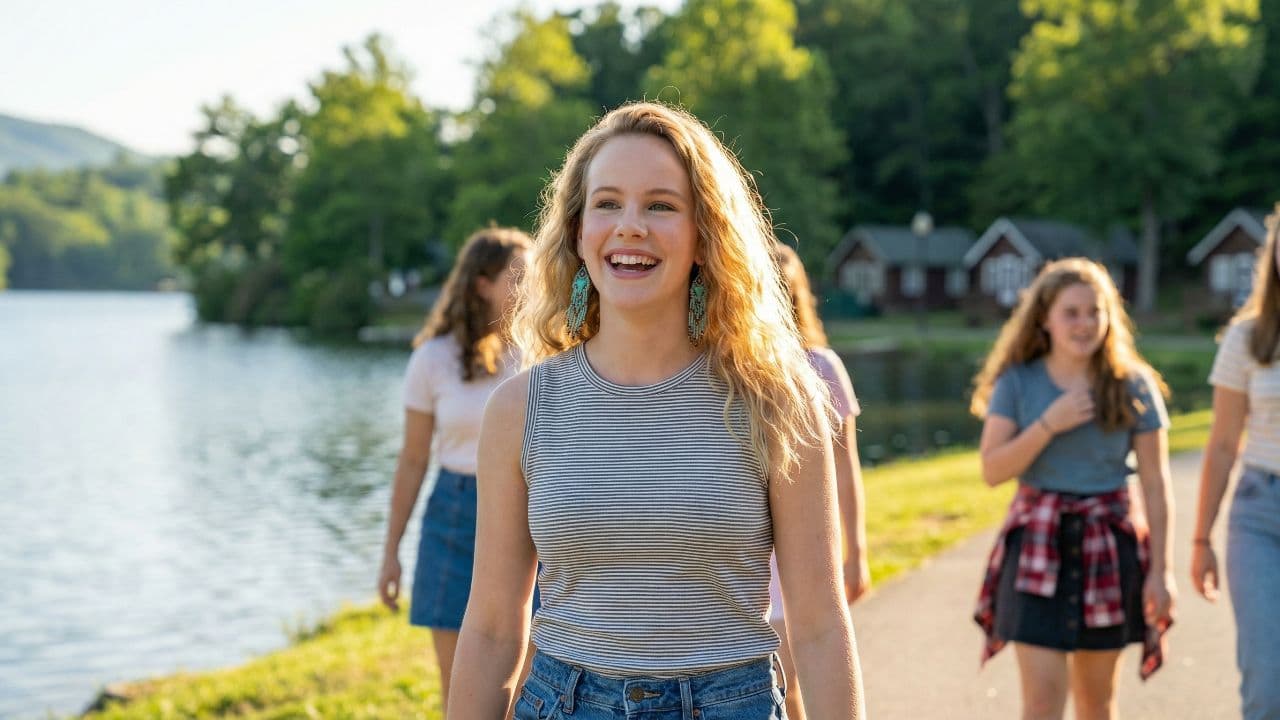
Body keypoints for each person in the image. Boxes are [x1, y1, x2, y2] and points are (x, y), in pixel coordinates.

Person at [447, 102, 864, 719]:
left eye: (661, 205)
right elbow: (490, 629)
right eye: (607, 203)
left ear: (705, 236)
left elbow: (821, 625)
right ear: (578, 231)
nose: (630, 226)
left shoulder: (778, 400)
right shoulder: (520, 407)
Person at [969, 257, 1175, 720]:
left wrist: (1163, 571)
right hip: (1037, 547)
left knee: (1097, 705)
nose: (1085, 324)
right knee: (1041, 706)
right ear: (1044, 318)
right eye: (1071, 312)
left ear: (1110, 317)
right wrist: (1048, 424)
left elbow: (1158, 486)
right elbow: (992, 469)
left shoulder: (1133, 385)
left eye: (1095, 311)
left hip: (1108, 545)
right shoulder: (1018, 381)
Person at [376, 226, 531, 714]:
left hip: (528, 515)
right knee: (461, 691)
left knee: (525, 689)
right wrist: (390, 552)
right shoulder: (432, 358)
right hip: (453, 514)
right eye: (519, 276)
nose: (534, 286)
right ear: (482, 283)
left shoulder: (541, 354)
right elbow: (413, 460)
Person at [769, 241, 870, 720]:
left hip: (802, 556)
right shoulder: (712, 370)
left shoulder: (821, 368)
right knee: (772, 690)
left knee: (791, 688)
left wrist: (856, 553)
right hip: (740, 563)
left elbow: (845, 469)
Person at [1192, 204, 1280, 720]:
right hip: (1260, 516)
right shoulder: (1247, 337)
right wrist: (1201, 539)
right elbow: (1223, 443)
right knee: (1268, 687)